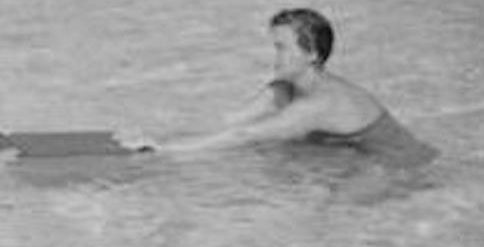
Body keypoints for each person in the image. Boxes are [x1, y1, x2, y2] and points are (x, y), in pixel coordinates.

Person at [161, 9, 437, 163]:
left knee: (327, 213)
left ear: (312, 54)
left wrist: (165, 153)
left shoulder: (320, 104)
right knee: (276, 155)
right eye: (274, 47)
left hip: (398, 162)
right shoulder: (284, 88)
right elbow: (231, 121)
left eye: (282, 48)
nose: (274, 56)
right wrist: (159, 138)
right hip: (352, 150)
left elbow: (244, 135)